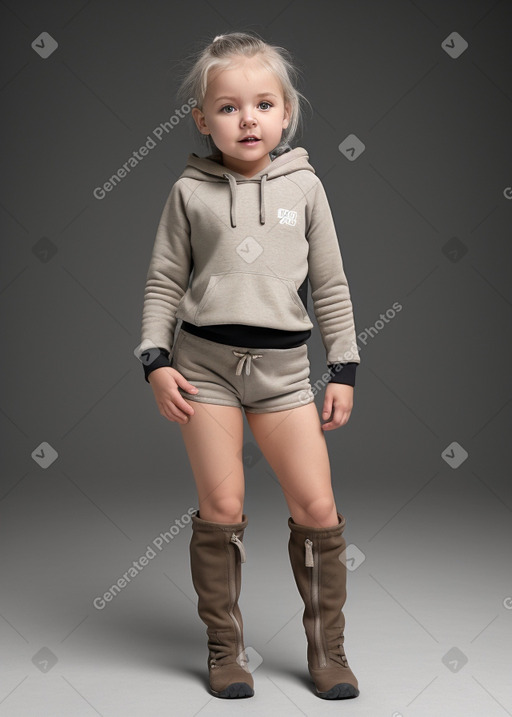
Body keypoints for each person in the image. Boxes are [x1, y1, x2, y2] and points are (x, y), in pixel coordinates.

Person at [135, 30, 361, 701]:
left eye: (263, 103)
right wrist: (154, 360)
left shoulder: (307, 189)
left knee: (318, 506)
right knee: (222, 503)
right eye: (229, 107)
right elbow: (163, 281)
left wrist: (343, 366)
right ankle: (225, 650)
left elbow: (332, 285)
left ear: (285, 112)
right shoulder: (189, 192)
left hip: (285, 374)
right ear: (204, 120)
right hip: (203, 368)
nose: (248, 118)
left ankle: (329, 651)